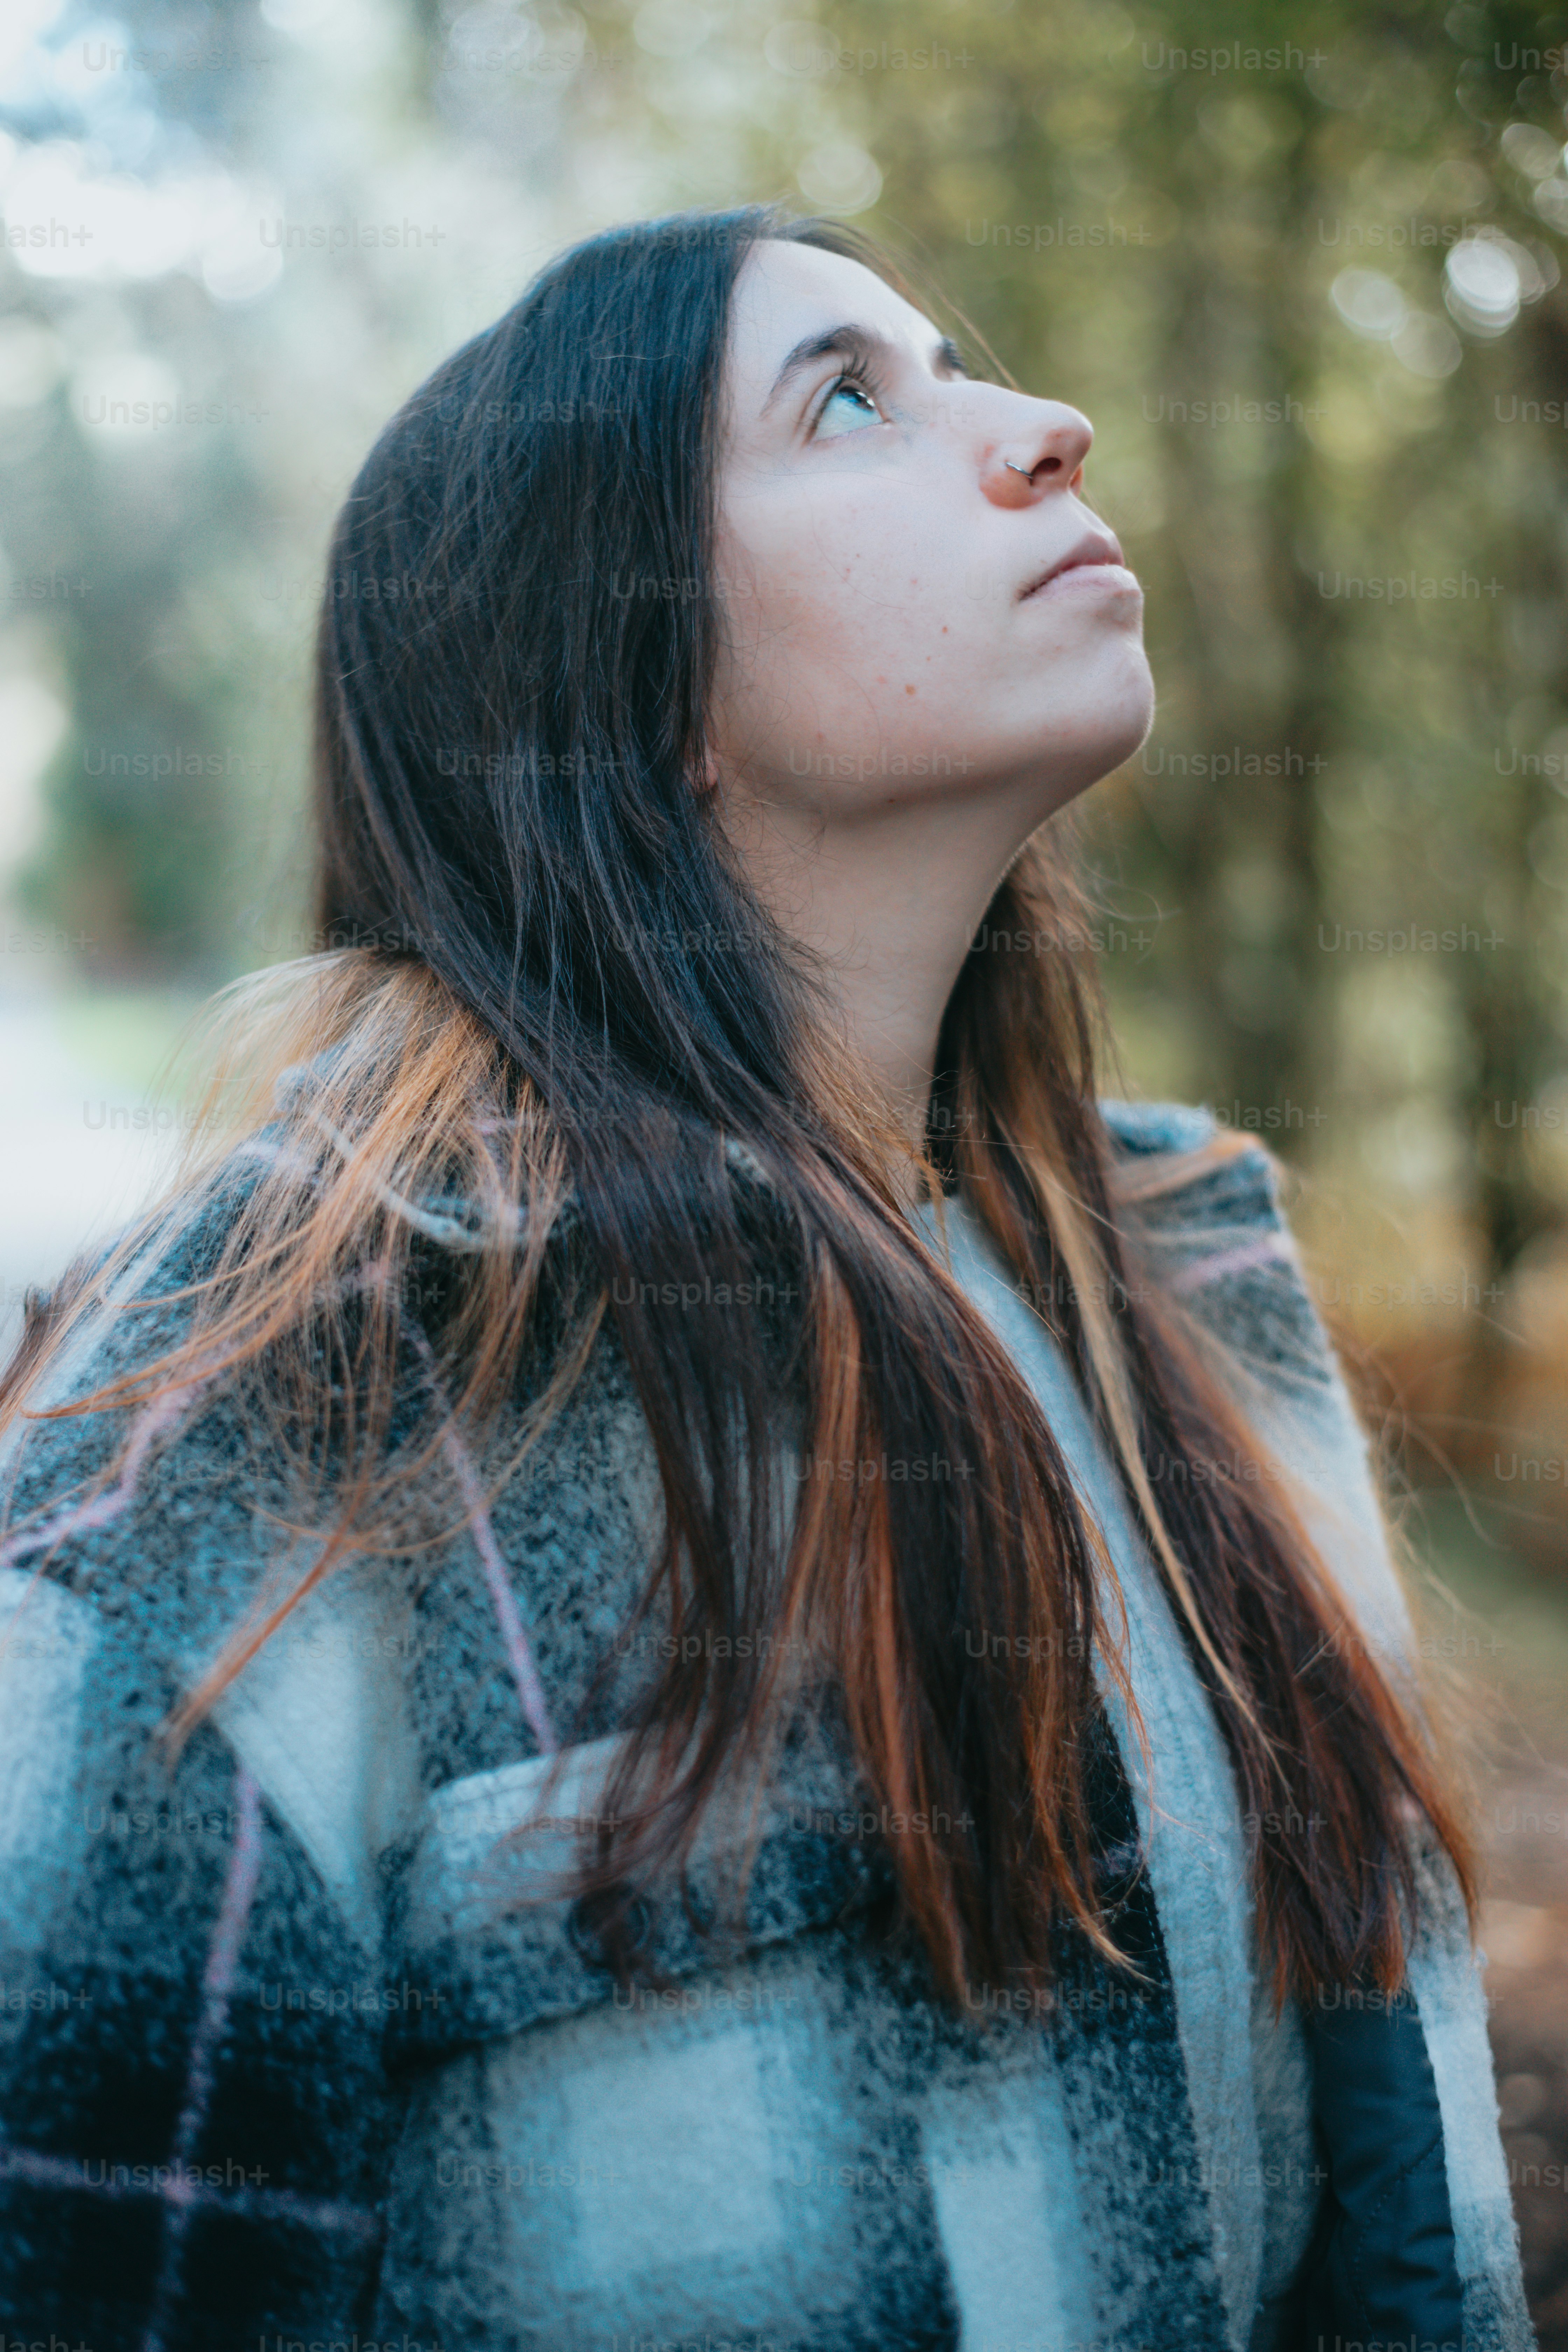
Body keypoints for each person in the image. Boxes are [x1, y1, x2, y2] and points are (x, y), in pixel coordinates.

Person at [0, 205, 1532, 2352]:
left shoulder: (1185, 1296)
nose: (1051, 431)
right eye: (845, 402)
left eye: (961, 367)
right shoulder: (285, 1425)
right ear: (631, 686)